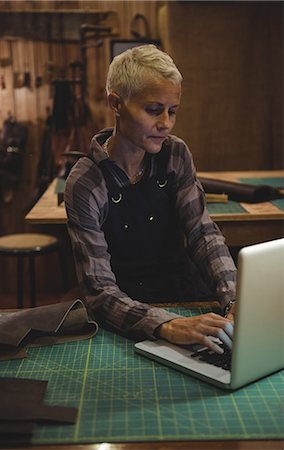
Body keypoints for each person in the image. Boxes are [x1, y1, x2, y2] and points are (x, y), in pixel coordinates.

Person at [65, 44, 236, 354]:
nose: (166, 124)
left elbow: (203, 233)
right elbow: (99, 292)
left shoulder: (176, 154)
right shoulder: (86, 183)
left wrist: (235, 297)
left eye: (173, 111)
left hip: (187, 295)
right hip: (127, 316)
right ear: (116, 103)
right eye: (154, 110)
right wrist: (166, 325)